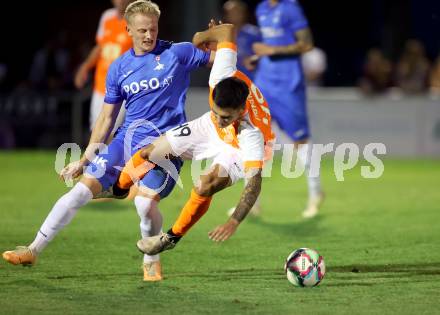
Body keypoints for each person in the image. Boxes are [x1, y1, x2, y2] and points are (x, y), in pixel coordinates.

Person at [2, 0, 213, 282]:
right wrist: (85, 158)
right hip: (125, 143)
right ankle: (33, 249)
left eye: (152, 29)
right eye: (142, 31)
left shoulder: (178, 53)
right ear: (128, 30)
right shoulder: (118, 68)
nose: (149, 36)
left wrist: (220, 40)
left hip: (165, 148)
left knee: (144, 205)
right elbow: (105, 118)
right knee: (78, 192)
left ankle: (151, 260)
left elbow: (219, 61)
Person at [112, 22, 275, 255]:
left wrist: (234, 221)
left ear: (240, 111)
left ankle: (170, 237)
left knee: (205, 183)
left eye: (226, 116)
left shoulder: (252, 134)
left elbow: (254, 184)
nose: (221, 119)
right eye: (217, 112)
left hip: (237, 147)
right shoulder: (221, 75)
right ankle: (118, 189)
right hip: (207, 128)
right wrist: (201, 36)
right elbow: (228, 30)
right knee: (150, 152)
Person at [252, 0, 324, 218]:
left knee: (299, 140)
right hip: (265, 81)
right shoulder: (262, 8)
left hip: (288, 83)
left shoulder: (290, 8)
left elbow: (307, 44)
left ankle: (315, 192)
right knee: (254, 138)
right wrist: (260, 56)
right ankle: (252, 201)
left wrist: (272, 49)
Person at [74, 0, 133, 131]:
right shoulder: (107, 16)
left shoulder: (135, 19)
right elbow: (100, 46)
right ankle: (96, 152)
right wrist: (85, 67)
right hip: (101, 83)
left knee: (112, 129)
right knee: (95, 128)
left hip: (122, 86)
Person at [222, 0, 261, 80]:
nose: (234, 14)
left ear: (244, 13)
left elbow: (264, 53)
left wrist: (253, 58)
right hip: (227, 80)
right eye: (230, 12)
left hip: (250, 79)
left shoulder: (254, 32)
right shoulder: (221, 34)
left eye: (237, 11)